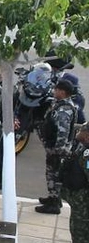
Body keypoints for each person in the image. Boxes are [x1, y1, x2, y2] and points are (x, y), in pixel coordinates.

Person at [37, 79, 78, 214]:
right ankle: (53, 197)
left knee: (54, 175)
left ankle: (54, 204)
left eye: (57, 89)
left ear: (63, 92)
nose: (54, 91)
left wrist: (58, 151)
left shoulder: (64, 110)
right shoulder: (60, 105)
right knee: (51, 174)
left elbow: (63, 132)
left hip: (57, 150)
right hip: (54, 148)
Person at [58, 124, 89, 243]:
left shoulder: (88, 153)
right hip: (77, 198)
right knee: (75, 226)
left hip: (83, 199)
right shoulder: (82, 146)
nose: (78, 131)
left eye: (82, 130)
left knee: (81, 228)